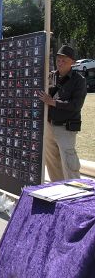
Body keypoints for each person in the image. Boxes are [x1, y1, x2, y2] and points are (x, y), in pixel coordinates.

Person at [39, 44, 87, 181]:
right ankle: (58, 189)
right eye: (58, 60)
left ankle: (74, 194)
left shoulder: (79, 81)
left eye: (64, 60)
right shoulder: (50, 77)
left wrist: (52, 102)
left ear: (73, 62)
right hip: (49, 126)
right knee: (52, 162)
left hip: (66, 128)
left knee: (69, 162)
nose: (60, 63)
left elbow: (76, 105)